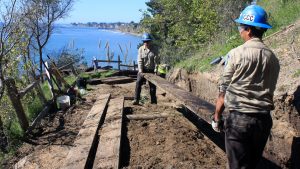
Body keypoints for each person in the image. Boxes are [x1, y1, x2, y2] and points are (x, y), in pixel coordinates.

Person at [211, 5, 280, 169]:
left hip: (239, 121)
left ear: (248, 30)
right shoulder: (273, 58)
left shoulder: (236, 54)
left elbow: (223, 91)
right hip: (263, 121)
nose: (239, 31)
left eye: (240, 27)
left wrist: (216, 118)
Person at [132, 33, 159, 105]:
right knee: (138, 83)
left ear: (150, 41)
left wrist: (156, 70)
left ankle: (153, 102)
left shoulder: (155, 49)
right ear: (143, 42)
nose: (146, 43)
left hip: (151, 70)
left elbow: (156, 61)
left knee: (152, 86)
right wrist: (140, 71)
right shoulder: (141, 49)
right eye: (145, 41)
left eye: (148, 41)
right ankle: (136, 99)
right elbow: (139, 60)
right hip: (143, 69)